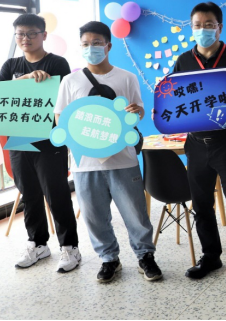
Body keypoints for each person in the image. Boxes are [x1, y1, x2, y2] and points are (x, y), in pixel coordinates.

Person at [55, 21, 162, 284]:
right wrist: (77, 138)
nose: (91, 48)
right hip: (85, 162)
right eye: (85, 44)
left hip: (123, 158)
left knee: (135, 213)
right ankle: (108, 259)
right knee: (94, 215)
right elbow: (60, 116)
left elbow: (138, 111)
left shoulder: (126, 77)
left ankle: (145, 256)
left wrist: (136, 112)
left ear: (108, 46)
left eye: (96, 43)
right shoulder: (70, 81)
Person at [172, 2, 226, 288]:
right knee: (201, 205)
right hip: (196, 143)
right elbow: (173, 95)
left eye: (209, 25)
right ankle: (211, 256)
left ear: (219, 27)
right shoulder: (183, 60)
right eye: (197, 25)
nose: (203, 30)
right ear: (191, 28)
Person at [0, 14, 81, 273]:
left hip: (50, 140)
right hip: (19, 139)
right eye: (20, 34)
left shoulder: (56, 63)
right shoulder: (10, 65)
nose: (25, 38)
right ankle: (37, 243)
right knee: (29, 194)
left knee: (56, 193)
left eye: (31, 33)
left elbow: (65, 97)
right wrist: (24, 79)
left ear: (44, 35)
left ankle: (70, 247)